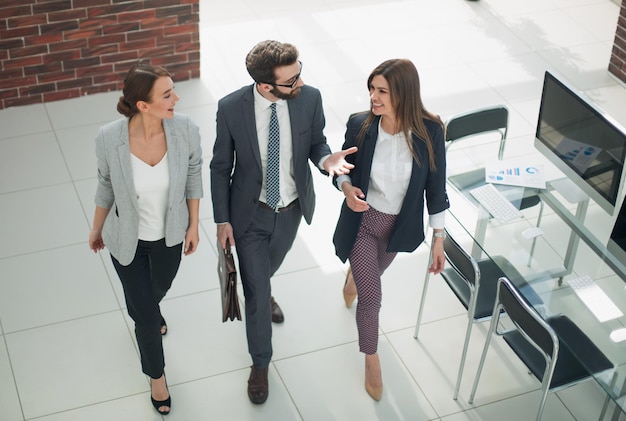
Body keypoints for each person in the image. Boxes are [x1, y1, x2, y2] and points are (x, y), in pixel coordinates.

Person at [210, 40, 357, 405]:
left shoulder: (309, 99)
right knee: (255, 289)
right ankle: (260, 364)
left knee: (267, 271)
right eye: (291, 81)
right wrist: (221, 220)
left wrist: (328, 164)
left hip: (291, 210)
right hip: (249, 214)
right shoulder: (231, 109)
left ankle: (264, 286)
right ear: (265, 86)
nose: (301, 84)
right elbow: (219, 167)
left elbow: (317, 144)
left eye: (300, 73)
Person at [88, 63, 203, 415]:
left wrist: (194, 224)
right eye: (167, 94)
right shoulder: (109, 137)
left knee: (156, 290)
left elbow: (194, 173)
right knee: (148, 321)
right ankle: (156, 376)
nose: (177, 98)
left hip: (169, 235)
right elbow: (106, 184)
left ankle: (144, 307)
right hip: (127, 240)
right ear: (143, 105)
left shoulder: (184, 128)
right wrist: (96, 228)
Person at [332, 59, 449, 401]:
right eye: (372, 89)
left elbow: (436, 188)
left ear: (404, 94)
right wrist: (344, 186)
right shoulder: (361, 126)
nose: (373, 97)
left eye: (382, 91)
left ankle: (354, 276)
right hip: (363, 224)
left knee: (370, 277)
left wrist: (438, 238)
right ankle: (371, 359)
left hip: (398, 230)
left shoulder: (430, 132)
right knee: (372, 297)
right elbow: (342, 170)